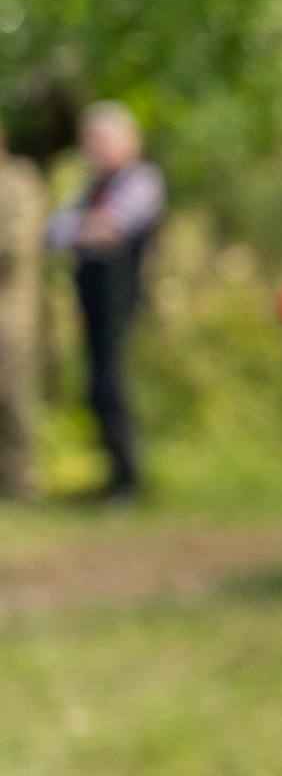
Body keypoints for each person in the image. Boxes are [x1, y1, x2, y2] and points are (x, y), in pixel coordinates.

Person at [44, 102, 166, 503]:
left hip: (120, 299)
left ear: (129, 141)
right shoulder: (92, 187)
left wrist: (85, 228)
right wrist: (87, 228)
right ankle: (113, 478)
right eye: (90, 142)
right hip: (92, 300)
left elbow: (113, 227)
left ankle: (128, 481)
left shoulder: (142, 180)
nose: (95, 149)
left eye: (102, 140)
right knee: (95, 386)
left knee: (111, 384)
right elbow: (54, 232)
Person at [0, 114, 49, 501]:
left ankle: (21, 486)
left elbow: (13, 248)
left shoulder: (20, 182)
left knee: (15, 400)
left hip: (11, 314)